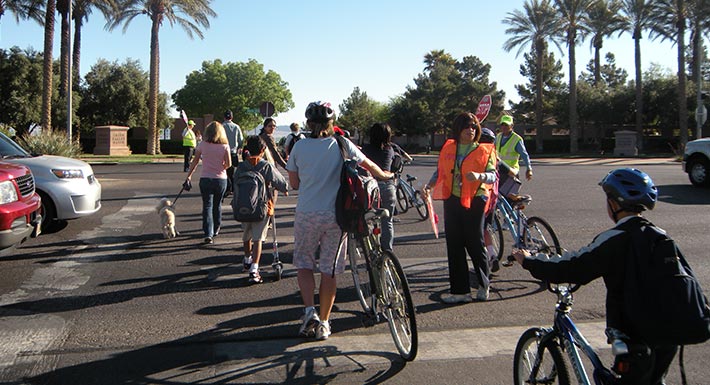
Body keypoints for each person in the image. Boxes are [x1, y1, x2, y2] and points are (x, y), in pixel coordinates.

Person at [512, 168, 676, 385]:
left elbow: (572, 266)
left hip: (633, 335)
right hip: (669, 333)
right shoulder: (662, 237)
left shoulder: (614, 240)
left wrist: (530, 261)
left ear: (614, 204)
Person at [286, 101, 393, 340]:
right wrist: (386, 175)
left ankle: (308, 312)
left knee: (304, 264)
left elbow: (294, 184)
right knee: (329, 270)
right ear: (331, 123)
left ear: (309, 123)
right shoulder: (342, 144)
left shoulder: (298, 147)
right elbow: (370, 165)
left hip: (306, 215)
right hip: (337, 216)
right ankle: (324, 322)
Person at [424, 112, 497, 303]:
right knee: (454, 244)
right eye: (467, 127)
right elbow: (440, 171)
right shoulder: (450, 148)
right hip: (452, 198)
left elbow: (492, 176)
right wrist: (429, 186)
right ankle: (460, 291)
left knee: (474, 241)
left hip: (475, 199)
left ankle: (483, 284)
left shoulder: (484, 150)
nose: (471, 130)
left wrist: (479, 176)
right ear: (458, 129)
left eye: (474, 127)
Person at [237, 136, 288, 284]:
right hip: (261, 207)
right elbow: (280, 182)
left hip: (243, 207)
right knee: (258, 238)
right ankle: (254, 268)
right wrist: (284, 189)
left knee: (246, 235)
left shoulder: (242, 166)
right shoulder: (265, 166)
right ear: (263, 150)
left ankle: (247, 259)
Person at [185, 121, 231, 244]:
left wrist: (189, 176)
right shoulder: (225, 146)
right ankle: (216, 228)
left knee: (207, 206)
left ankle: (208, 232)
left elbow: (194, 162)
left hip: (205, 178)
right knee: (217, 205)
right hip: (221, 179)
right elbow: (229, 163)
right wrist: (222, 167)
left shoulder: (202, 145)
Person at [361, 122, 397, 252]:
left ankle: (371, 250)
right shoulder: (389, 150)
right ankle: (387, 252)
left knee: (368, 219)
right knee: (387, 221)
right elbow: (388, 169)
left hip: (370, 188)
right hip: (387, 187)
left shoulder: (366, 150)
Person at [495, 114, 532, 199]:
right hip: (499, 171)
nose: (504, 127)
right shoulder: (498, 137)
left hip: (511, 173)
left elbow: (524, 155)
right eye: (502, 125)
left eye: (506, 125)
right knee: (497, 197)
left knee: (510, 198)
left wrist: (529, 169)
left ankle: (515, 210)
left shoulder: (516, 139)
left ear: (512, 126)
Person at [223, 109, 244, 195]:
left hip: (223, 152)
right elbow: (241, 139)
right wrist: (239, 147)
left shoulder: (221, 126)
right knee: (233, 171)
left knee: (225, 171)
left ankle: (227, 187)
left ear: (224, 117)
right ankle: (233, 188)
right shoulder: (236, 127)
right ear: (232, 117)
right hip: (233, 152)